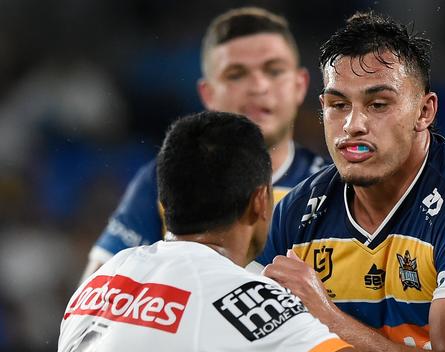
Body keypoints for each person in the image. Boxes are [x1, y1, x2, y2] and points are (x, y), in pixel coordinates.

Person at [259, 12, 445, 352]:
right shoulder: (297, 213)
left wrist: (327, 316)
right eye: (339, 106)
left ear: (424, 111)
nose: (353, 125)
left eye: (378, 104)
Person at [55, 111, 373, 352]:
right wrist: (325, 313)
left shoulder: (103, 278)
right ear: (260, 201)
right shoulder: (240, 295)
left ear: (164, 206)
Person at [82, 7, 326, 278]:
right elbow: (97, 293)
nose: (258, 86)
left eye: (273, 70)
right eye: (236, 74)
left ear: (300, 85)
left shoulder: (335, 190)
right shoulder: (166, 178)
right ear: (207, 94)